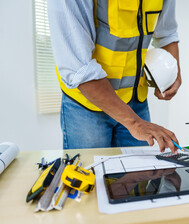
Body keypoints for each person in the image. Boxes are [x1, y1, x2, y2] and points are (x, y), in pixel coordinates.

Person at [47, 0, 181, 153]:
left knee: (139, 174)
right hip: (87, 105)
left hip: (135, 102)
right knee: (89, 173)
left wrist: (174, 72)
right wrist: (135, 123)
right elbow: (79, 69)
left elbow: (167, 33)